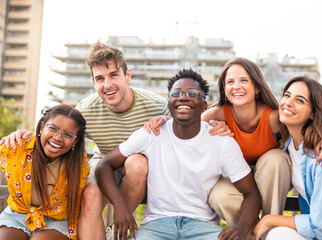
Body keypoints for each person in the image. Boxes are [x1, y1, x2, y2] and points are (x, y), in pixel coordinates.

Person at [0, 42, 229, 240]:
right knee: (89, 193)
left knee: (137, 161)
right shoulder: (87, 110)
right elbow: (58, 131)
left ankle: (117, 227)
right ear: (93, 82)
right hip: (104, 162)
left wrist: (215, 124)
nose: (107, 85)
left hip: (145, 171)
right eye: (99, 78)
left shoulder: (155, 105)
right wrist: (24, 135)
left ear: (126, 76)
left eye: (113, 75)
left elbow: (188, 120)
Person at [146, 57, 322, 226]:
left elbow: (319, 122)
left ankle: (269, 225)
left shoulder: (273, 117)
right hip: (238, 180)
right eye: (230, 82)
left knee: (276, 158)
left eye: (244, 81)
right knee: (218, 195)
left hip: (270, 179)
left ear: (256, 88)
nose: (236, 86)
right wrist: (163, 120)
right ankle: (249, 231)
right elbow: (186, 123)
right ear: (224, 88)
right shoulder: (217, 113)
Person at [96, 69, 261, 240]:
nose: (183, 97)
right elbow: (104, 165)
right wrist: (120, 204)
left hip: (203, 227)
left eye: (192, 93)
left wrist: (240, 230)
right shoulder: (151, 133)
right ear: (169, 103)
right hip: (155, 226)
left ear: (204, 106)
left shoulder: (221, 141)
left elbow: (252, 194)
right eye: (176, 93)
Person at [251, 76, 322, 240]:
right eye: (287, 95)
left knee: (277, 234)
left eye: (300, 101)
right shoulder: (288, 146)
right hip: (317, 236)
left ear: (313, 114)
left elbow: (321, 225)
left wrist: (269, 219)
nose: (288, 102)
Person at [0, 105, 89, 240]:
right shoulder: (17, 147)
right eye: (53, 128)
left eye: (68, 135)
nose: (58, 137)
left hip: (55, 220)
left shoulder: (79, 165)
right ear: (42, 127)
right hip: (17, 214)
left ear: (75, 141)